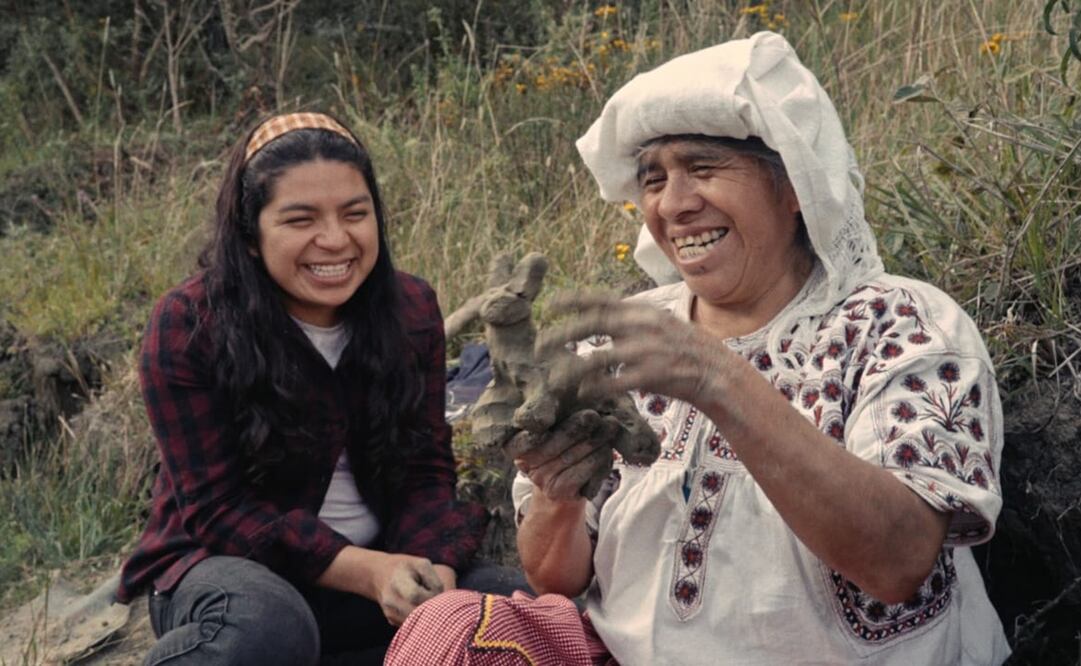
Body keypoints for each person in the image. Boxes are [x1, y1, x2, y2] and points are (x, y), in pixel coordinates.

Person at [385, 32, 1010, 665]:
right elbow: (553, 578)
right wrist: (557, 491)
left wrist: (719, 379)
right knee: (449, 632)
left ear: (793, 185)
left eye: (704, 169)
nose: (674, 204)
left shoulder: (897, 324)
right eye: (653, 179)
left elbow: (899, 563)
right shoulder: (628, 336)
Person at [115, 112, 505, 665]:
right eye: (301, 219)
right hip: (229, 574)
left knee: (505, 607)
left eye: (355, 214)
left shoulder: (411, 311)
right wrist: (370, 572)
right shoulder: (190, 325)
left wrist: (431, 575)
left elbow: (426, 472)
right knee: (267, 626)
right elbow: (218, 509)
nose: (335, 240)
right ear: (250, 235)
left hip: (379, 575)